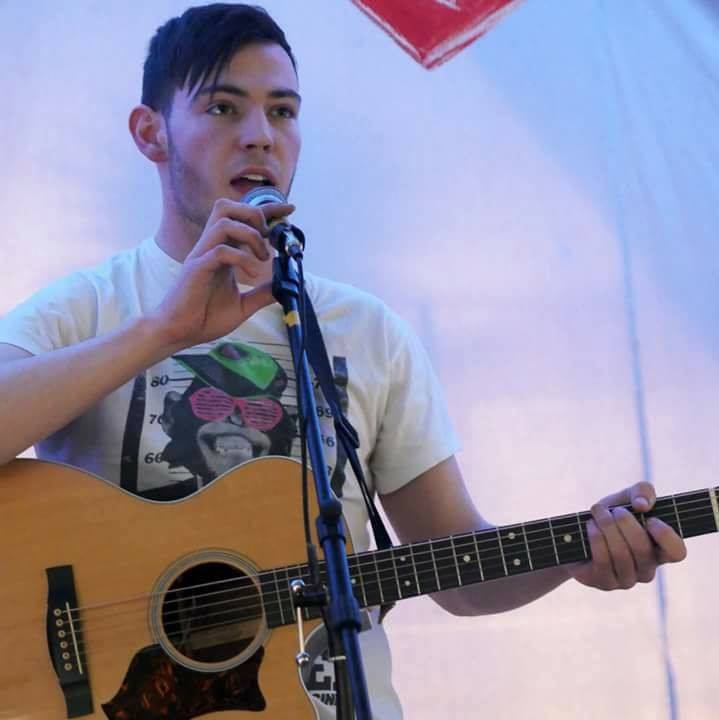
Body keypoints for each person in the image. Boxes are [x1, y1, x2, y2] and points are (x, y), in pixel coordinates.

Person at [0, 3, 687, 718]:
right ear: (151, 133)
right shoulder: (88, 308)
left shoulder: (367, 332)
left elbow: (457, 569)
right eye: (223, 107)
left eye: (283, 111)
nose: (260, 135)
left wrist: (574, 552)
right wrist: (160, 331)